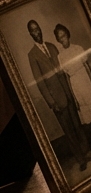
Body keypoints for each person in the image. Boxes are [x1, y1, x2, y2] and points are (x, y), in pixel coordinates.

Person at [26, 19, 87, 172]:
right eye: (33, 30)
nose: (37, 32)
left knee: (77, 123)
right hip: (56, 100)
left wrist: (72, 89)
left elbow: (65, 66)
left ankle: (86, 151)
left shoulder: (52, 46)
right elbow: (40, 83)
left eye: (38, 28)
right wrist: (51, 102)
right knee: (68, 130)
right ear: (30, 34)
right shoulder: (32, 55)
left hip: (68, 91)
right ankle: (80, 159)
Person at [53, 23, 91, 159]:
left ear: (68, 35)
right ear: (58, 40)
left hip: (86, 82)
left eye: (64, 35)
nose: (63, 39)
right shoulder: (61, 57)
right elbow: (68, 78)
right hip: (76, 87)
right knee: (90, 120)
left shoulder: (78, 48)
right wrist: (74, 97)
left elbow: (88, 68)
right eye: (60, 38)